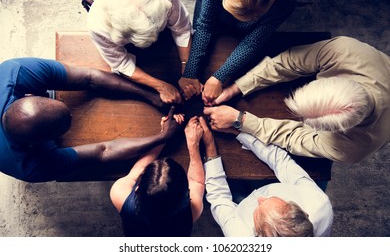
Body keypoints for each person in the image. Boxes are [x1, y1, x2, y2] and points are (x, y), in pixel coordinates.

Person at [203, 36, 390, 164]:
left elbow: (294, 138)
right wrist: (236, 88)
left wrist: (241, 120)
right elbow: (288, 63)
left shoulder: (352, 149)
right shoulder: (346, 50)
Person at [0, 57, 181, 182]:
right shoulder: (28, 167)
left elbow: (89, 77)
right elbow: (102, 151)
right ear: (38, 144)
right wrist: (161, 138)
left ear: (29, 95)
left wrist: (149, 95)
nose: (73, 115)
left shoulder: (15, 72)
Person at [200, 118, 333, 237]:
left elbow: (219, 198)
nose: (260, 198)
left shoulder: (240, 236)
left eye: (258, 214)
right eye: (283, 202)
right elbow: (282, 162)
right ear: (305, 214)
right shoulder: (318, 203)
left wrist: (210, 145)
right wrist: (239, 132)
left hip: (240, 206)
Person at [178, 0, 296, 105]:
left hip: (246, 33)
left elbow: (252, 42)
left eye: (253, 16)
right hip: (213, 6)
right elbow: (205, 25)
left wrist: (219, 77)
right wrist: (190, 72)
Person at [87, 0, 193, 104]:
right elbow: (122, 64)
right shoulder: (97, 26)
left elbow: (182, 29)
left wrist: (187, 70)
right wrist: (160, 86)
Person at [110, 116, 205, 236]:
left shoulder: (119, 194)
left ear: (138, 187)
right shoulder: (193, 210)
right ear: (186, 192)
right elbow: (197, 182)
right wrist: (193, 144)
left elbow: (137, 170)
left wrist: (164, 135)